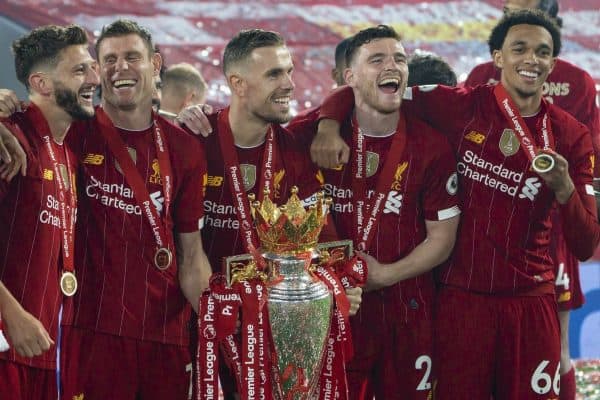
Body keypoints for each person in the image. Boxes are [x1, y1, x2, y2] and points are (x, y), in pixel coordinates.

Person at [313, 11, 599, 399]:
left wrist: (564, 188)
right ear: (497, 58)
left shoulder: (571, 135)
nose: (531, 59)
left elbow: (586, 245)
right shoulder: (457, 107)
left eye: (542, 52)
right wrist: (328, 125)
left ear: (553, 63)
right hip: (462, 304)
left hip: (530, 302)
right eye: (519, 49)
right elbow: (366, 88)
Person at [0, 19, 212, 400]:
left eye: (132, 56)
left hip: (160, 337)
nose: (113, 70)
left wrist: (220, 334)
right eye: (106, 59)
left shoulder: (184, 147)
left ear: (156, 64)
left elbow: (191, 256)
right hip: (80, 334)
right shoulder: (55, 133)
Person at [189, 28, 363, 400]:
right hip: (201, 332)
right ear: (237, 83)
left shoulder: (296, 149)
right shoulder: (193, 142)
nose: (288, 84)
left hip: (275, 337)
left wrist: (341, 287)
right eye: (273, 75)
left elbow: (324, 245)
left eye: (289, 71)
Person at [289, 25, 460, 399]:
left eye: (399, 59)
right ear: (348, 76)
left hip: (407, 312)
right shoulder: (309, 135)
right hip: (332, 313)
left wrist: (386, 274)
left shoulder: (431, 146)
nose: (392, 66)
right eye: (377, 59)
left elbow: (442, 238)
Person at [464, 2, 600, 398]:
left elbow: (588, 156)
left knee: (556, 349)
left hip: (549, 232)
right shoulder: (479, 76)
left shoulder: (577, 81)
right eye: (507, 9)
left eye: (518, 7)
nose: (507, 14)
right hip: (487, 236)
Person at [0, 24, 99, 399]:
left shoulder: (68, 155)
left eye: (90, 67)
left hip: (44, 354)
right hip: (7, 346)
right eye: (79, 71)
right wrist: (12, 314)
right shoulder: (10, 137)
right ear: (40, 83)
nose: (94, 78)